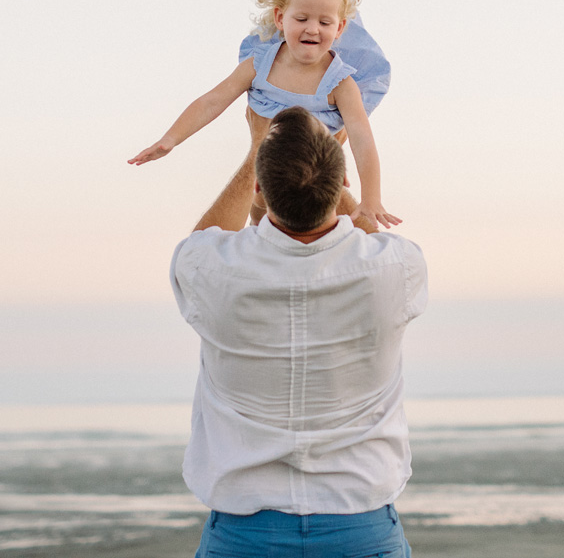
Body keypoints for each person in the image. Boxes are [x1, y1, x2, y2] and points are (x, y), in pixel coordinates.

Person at [170, 106, 427, 557]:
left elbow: (201, 240)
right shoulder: (395, 268)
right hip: (361, 528)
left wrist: (257, 148)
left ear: (258, 188)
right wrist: (324, 162)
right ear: (344, 183)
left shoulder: (212, 270)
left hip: (244, 533)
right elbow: (367, 233)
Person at [129, 0, 399, 233]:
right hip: (268, 169)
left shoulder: (341, 83)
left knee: (337, 216)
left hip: (312, 172)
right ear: (281, 19)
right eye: (302, 18)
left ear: (340, 28)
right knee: (260, 203)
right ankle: (260, 226)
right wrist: (171, 138)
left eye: (324, 22)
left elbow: (362, 138)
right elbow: (213, 101)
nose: (312, 29)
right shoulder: (259, 64)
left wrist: (371, 198)